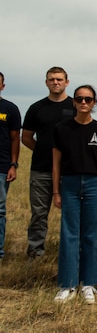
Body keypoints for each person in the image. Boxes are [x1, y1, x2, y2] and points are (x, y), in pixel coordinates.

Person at [51, 85, 97, 304]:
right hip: (69, 183)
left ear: (94, 103)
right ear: (74, 102)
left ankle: (89, 283)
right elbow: (56, 161)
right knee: (69, 234)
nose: (84, 103)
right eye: (79, 99)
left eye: (88, 99)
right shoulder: (62, 128)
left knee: (92, 233)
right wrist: (56, 190)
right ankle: (67, 284)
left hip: (94, 183)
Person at [22, 66, 75, 260]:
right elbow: (26, 137)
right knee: (39, 213)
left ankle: (68, 253)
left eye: (59, 79)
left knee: (70, 215)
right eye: (52, 79)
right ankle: (35, 252)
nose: (56, 82)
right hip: (41, 170)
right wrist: (45, 152)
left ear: (67, 82)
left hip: (69, 170)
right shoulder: (37, 108)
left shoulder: (75, 106)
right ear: (46, 82)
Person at [0, 72, 21, 263]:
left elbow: (16, 138)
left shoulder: (10, 109)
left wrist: (13, 164)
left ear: (2, 86)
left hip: (2, 166)